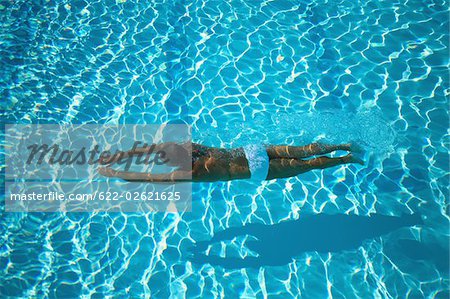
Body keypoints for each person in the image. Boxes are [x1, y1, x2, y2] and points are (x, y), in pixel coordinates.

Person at [98, 142, 363, 182]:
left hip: (257, 169)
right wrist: (120, 156)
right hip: (252, 150)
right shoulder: (194, 149)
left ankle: (347, 159)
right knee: (304, 150)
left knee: (307, 165)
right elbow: (151, 148)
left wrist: (115, 173)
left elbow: (149, 179)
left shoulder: (190, 174)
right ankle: (343, 145)